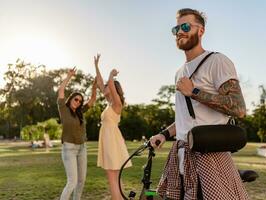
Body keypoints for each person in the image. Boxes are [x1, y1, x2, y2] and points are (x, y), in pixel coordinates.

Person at [150, 8, 249, 200]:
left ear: (201, 30)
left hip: (209, 155)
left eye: (185, 26)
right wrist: (163, 134)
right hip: (181, 154)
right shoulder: (179, 72)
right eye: (176, 28)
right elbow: (187, 118)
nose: (179, 32)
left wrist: (194, 92)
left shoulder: (216, 61)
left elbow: (239, 108)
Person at [94, 54, 132, 200]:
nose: (104, 87)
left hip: (112, 141)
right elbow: (99, 82)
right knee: (114, 175)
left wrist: (111, 75)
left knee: (112, 175)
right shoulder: (109, 103)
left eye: (107, 86)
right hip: (109, 140)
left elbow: (109, 84)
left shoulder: (117, 104)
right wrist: (96, 66)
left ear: (113, 89)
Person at [57, 67, 97, 200]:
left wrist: (94, 85)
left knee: (81, 181)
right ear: (71, 99)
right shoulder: (64, 109)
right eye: (76, 99)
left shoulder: (80, 112)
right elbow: (61, 90)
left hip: (82, 148)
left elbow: (92, 100)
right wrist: (69, 76)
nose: (78, 102)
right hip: (69, 149)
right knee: (72, 182)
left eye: (80, 101)